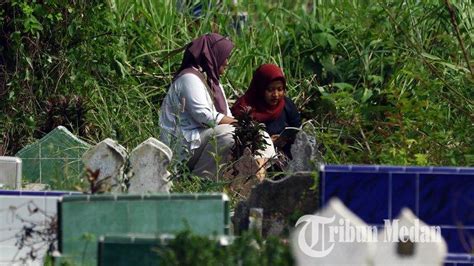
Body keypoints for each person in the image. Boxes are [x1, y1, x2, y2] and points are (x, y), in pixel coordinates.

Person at [159, 33, 274, 180]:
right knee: (229, 134)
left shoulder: (212, 82)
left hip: (202, 140)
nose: (226, 62)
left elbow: (226, 115)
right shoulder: (189, 78)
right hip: (184, 145)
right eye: (225, 57)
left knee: (260, 133)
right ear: (213, 55)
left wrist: (249, 128)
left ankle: (258, 175)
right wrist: (241, 125)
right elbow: (206, 117)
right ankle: (200, 179)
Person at [231, 64, 301, 158]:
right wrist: (267, 143)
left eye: (280, 89)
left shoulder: (286, 105)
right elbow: (239, 141)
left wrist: (286, 138)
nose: (276, 95)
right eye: (270, 90)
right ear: (260, 89)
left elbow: (297, 129)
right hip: (257, 162)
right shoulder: (244, 109)